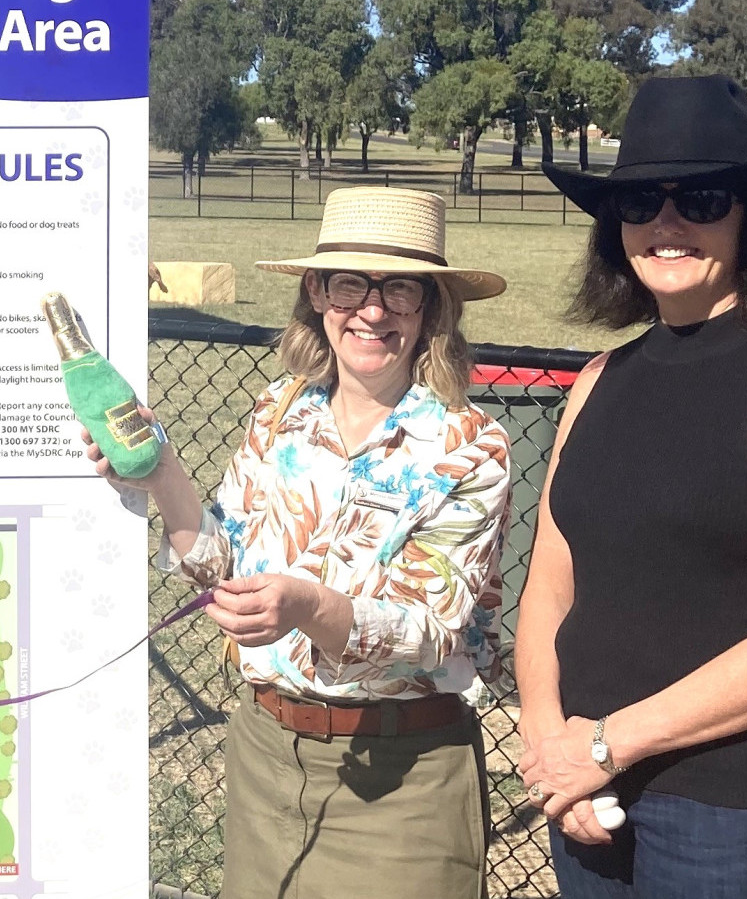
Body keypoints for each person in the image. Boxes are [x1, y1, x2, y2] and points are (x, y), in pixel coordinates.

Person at [517, 74, 747, 898]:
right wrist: (551, 743)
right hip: (591, 799)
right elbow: (548, 586)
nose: (665, 224)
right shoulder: (597, 379)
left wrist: (602, 743)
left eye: (700, 198)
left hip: (744, 816)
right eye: (638, 203)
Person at [93, 185, 513, 899]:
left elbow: (431, 630)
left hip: (400, 775)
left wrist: (310, 606)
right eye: (348, 283)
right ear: (316, 294)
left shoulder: (470, 449)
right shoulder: (279, 410)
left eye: (399, 289)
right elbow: (219, 561)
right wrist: (160, 472)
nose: (371, 310)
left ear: (432, 309)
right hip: (264, 754)